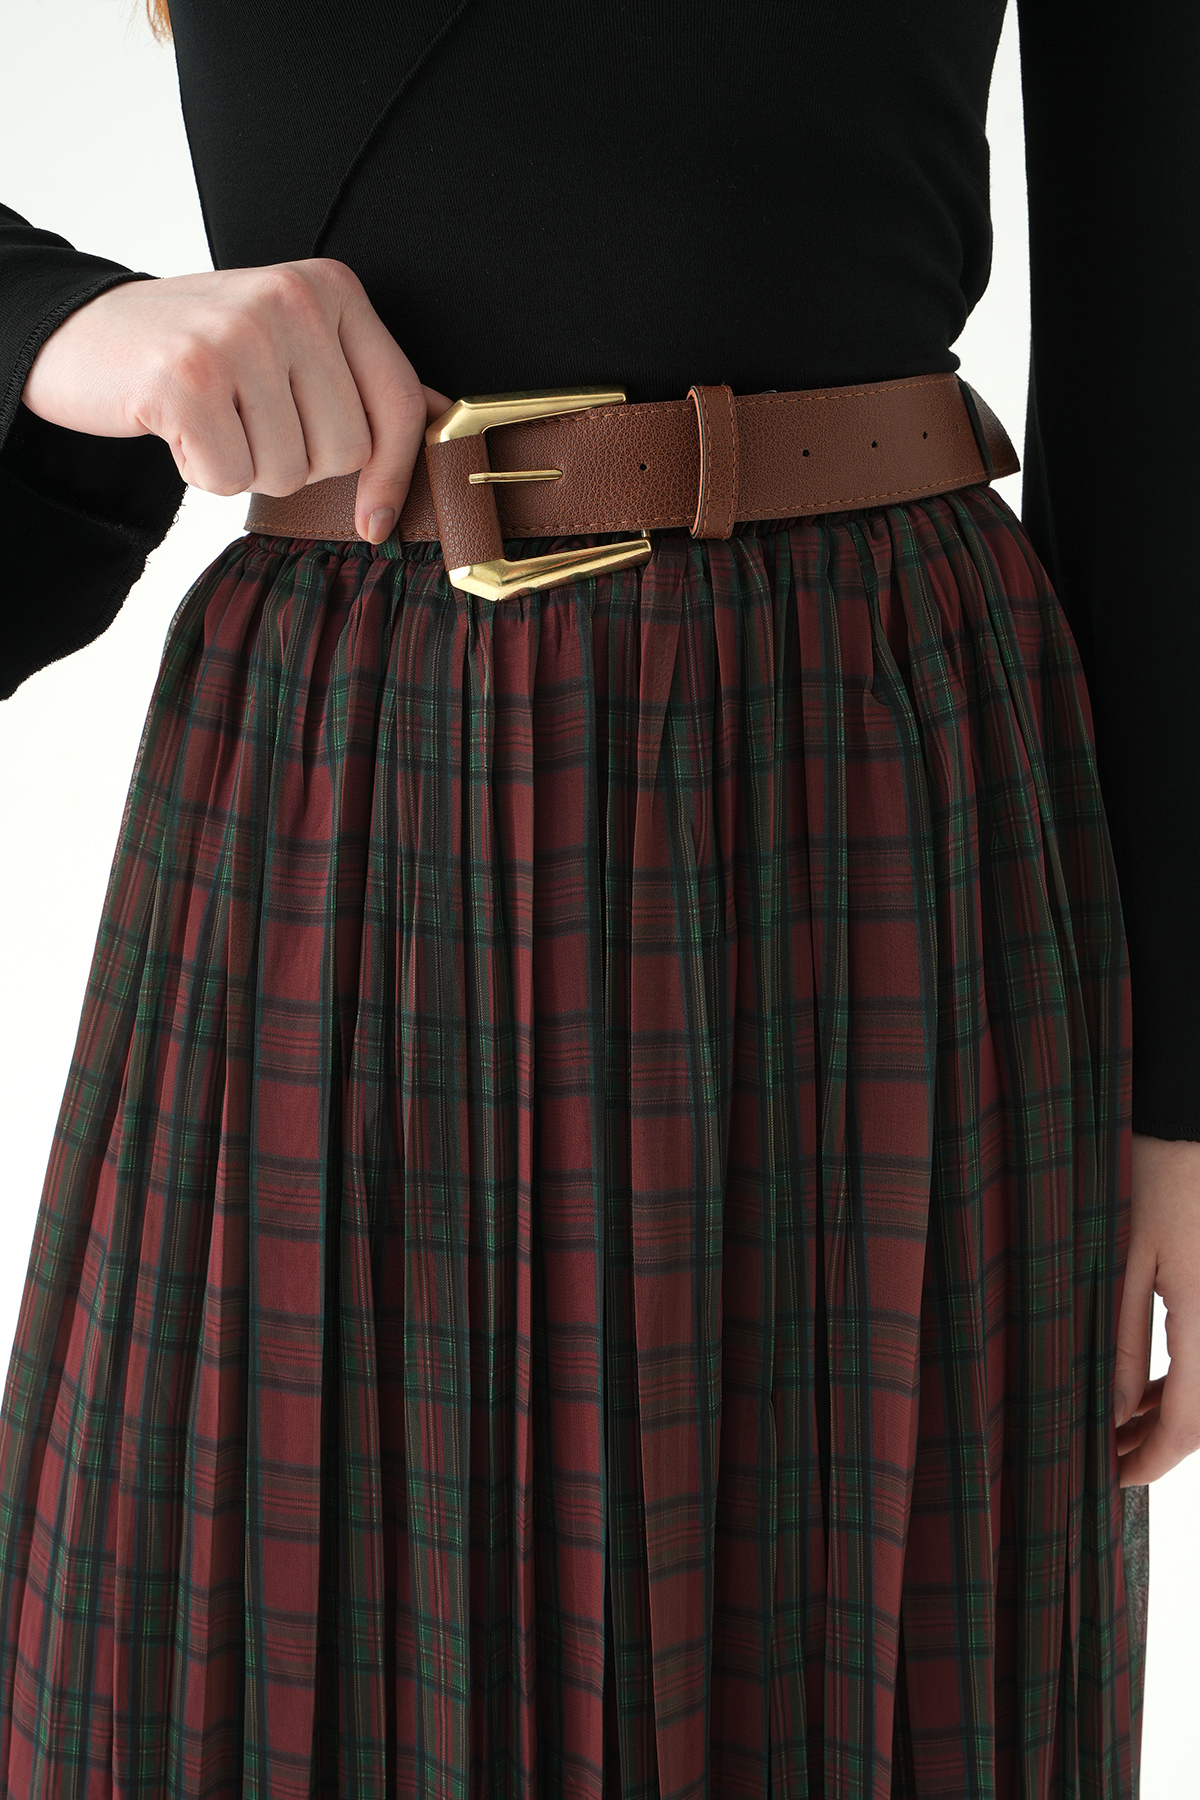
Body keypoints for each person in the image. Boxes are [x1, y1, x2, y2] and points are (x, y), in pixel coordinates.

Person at [0, 0, 1194, 1793]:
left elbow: (1168, 307)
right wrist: (45, 322)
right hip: (351, 776)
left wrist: (1185, 1096)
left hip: (874, 788)